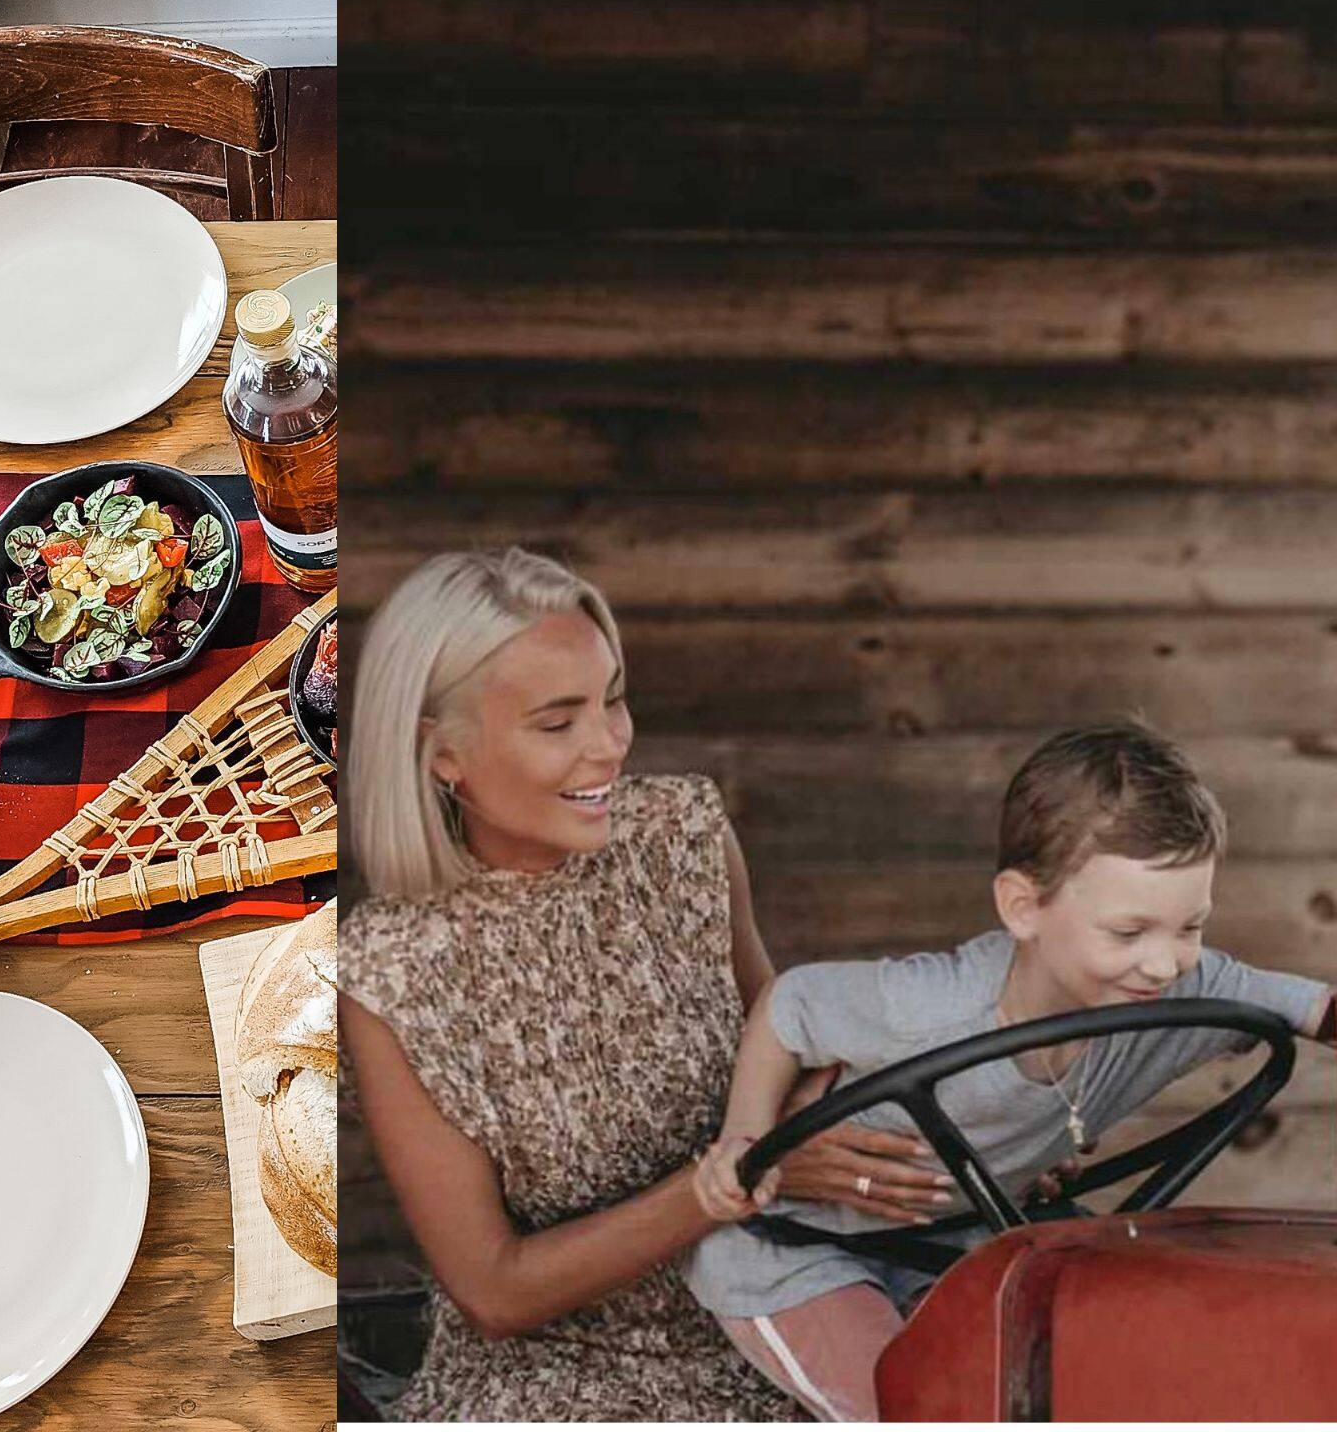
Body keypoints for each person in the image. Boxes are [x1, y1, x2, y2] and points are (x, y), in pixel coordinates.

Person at [342, 548, 954, 1421]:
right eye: (558, 723)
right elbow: (493, 1290)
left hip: (787, 1308)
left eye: (613, 699)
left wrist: (961, 1140)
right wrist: (737, 1179)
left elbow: (789, 1047)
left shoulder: (685, 835)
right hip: (558, 1383)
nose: (608, 747)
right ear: (443, 754)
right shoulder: (388, 970)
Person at [689, 721, 1337, 1421]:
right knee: (918, 1405)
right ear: (1023, 908)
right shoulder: (935, 1006)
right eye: (1128, 932)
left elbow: (1308, 1007)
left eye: (1190, 927)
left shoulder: (1176, 990)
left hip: (962, 1241)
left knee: (1123, 1366)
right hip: (800, 1249)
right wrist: (746, 1142)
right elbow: (791, 1006)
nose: (1164, 962)